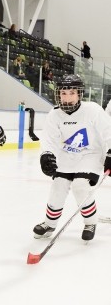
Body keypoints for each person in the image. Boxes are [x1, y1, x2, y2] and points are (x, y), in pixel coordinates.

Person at [33, 74, 111, 242]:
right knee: (58, 186)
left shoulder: (92, 110)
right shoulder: (54, 114)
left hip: (91, 155)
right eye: (63, 93)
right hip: (67, 156)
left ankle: (90, 222)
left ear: (79, 94)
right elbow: (49, 139)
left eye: (72, 93)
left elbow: (108, 131)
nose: (67, 98)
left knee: (80, 186)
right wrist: (46, 155)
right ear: (58, 94)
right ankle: (49, 223)